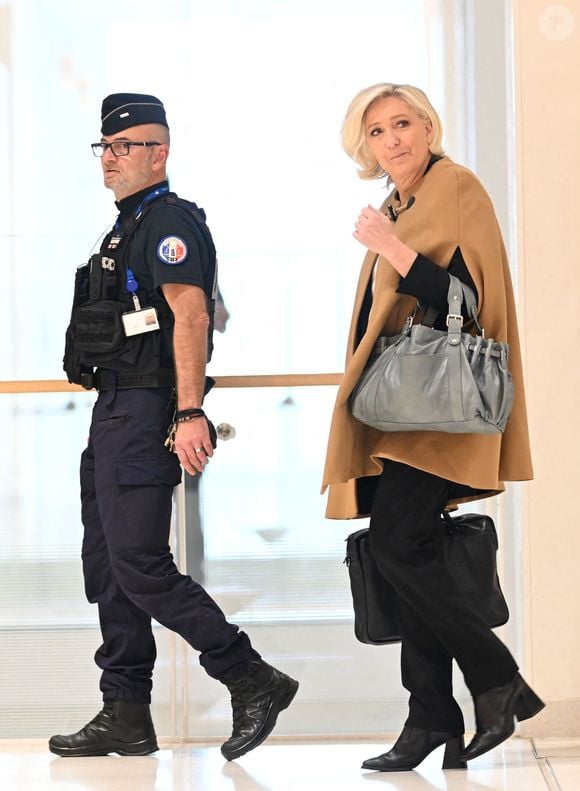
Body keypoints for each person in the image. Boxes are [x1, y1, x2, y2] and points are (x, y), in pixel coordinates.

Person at [52, 92, 297, 760]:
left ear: (159, 152)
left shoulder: (169, 221)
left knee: (141, 564)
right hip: (112, 409)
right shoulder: (124, 227)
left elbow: (192, 318)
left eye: (124, 146)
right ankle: (125, 710)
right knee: (107, 567)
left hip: (146, 409)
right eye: (104, 147)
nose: (110, 158)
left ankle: (249, 675)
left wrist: (189, 411)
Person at [321, 83, 544, 772]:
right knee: (404, 547)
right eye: (379, 130)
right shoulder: (398, 202)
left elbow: (466, 301)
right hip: (400, 409)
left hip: (438, 405)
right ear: (366, 147)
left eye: (404, 123)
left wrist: (389, 246)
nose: (394, 139)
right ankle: (430, 720)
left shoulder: (455, 188)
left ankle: (496, 676)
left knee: (396, 544)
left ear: (427, 126)